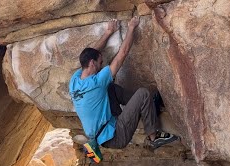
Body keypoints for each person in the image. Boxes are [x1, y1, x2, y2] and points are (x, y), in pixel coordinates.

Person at [69, 16, 178, 150]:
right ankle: (154, 137)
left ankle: (145, 107)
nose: (102, 64)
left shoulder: (75, 80)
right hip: (116, 135)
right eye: (100, 62)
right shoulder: (97, 82)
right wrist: (131, 28)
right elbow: (122, 54)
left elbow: (91, 53)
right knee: (143, 94)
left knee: (110, 88)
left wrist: (108, 32)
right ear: (92, 63)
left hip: (104, 132)